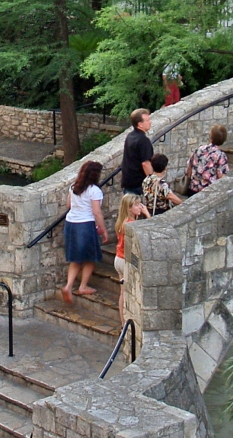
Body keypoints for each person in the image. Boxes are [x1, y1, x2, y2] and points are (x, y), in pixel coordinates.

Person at [60, 160, 107, 305]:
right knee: (90, 258)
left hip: (70, 224)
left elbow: (69, 205)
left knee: (75, 259)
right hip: (85, 225)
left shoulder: (74, 187)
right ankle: (83, 286)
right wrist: (104, 230)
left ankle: (68, 286)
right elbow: (96, 212)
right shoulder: (94, 190)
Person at [113, 194, 149, 323]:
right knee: (131, 293)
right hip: (125, 260)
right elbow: (148, 232)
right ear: (129, 208)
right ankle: (130, 323)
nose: (141, 207)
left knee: (123, 293)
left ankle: (123, 323)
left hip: (118, 258)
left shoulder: (121, 222)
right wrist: (147, 214)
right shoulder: (132, 224)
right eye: (137, 205)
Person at [185, 124, 229, 195]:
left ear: (211, 136)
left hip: (193, 188)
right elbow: (221, 176)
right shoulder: (221, 155)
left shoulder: (199, 149)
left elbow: (189, 168)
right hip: (208, 192)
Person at [121, 108, 153, 195]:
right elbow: (145, 163)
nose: (150, 122)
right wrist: (153, 182)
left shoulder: (130, 136)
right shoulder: (143, 140)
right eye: (147, 120)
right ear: (140, 124)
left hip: (127, 181)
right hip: (138, 184)